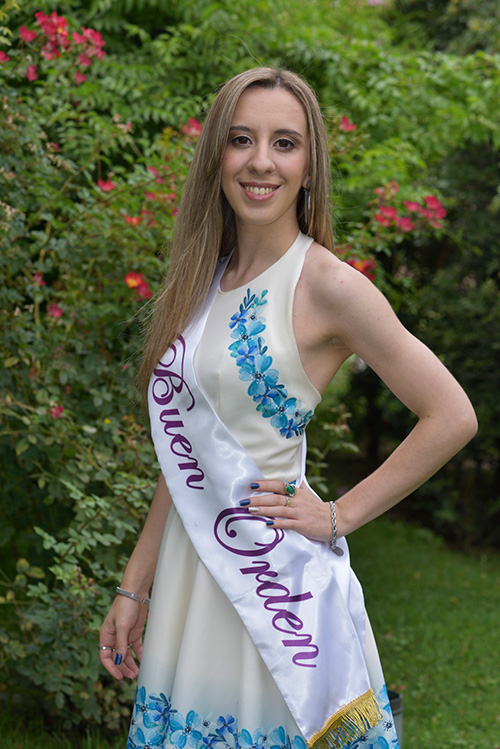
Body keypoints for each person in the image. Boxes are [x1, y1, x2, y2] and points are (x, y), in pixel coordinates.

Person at [99, 68, 477, 749]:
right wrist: (135, 583)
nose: (261, 162)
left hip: (275, 587)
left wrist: (339, 515)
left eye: (285, 143)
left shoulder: (329, 285)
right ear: (218, 155)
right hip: (193, 571)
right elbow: (189, 453)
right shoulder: (203, 279)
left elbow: (451, 414)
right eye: (241, 139)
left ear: (309, 165)